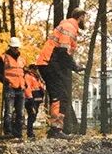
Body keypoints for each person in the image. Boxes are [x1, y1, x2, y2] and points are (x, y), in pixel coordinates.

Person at [35, 8, 86, 139]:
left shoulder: (67, 26)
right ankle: (55, 130)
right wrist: (75, 66)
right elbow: (62, 52)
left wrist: (73, 66)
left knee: (62, 96)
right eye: (84, 18)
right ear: (80, 17)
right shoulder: (69, 27)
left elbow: (62, 53)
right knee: (59, 96)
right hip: (48, 63)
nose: (84, 21)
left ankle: (56, 129)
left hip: (49, 63)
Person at [0, 37, 26, 138]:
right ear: (10, 47)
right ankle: (8, 133)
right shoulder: (3, 58)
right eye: (14, 47)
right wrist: (5, 81)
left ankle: (18, 133)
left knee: (20, 113)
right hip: (10, 87)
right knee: (8, 111)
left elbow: (23, 73)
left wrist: (25, 83)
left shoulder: (22, 60)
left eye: (17, 47)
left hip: (20, 88)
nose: (16, 49)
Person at [23, 65, 45, 139]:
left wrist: (42, 89)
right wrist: (30, 97)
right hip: (31, 99)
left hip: (37, 99)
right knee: (32, 114)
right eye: (35, 69)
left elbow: (39, 86)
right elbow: (27, 87)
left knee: (34, 115)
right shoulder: (28, 76)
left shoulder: (36, 77)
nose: (36, 70)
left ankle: (30, 132)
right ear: (31, 69)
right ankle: (30, 133)